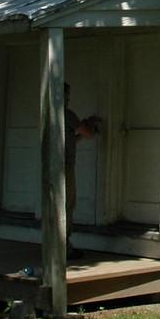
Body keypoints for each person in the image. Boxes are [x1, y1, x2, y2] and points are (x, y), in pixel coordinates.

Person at [63, 101, 101, 261]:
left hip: (54, 166)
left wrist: (83, 127)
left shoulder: (50, 114)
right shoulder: (67, 114)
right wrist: (90, 125)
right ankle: (64, 247)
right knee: (67, 204)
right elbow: (88, 134)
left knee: (63, 205)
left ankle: (61, 245)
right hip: (64, 166)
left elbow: (72, 138)